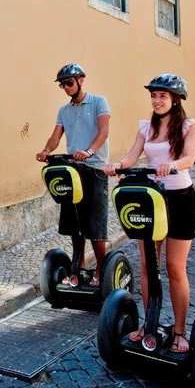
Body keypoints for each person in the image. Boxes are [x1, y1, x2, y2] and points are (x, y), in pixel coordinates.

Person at [103, 74, 195, 353]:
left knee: (174, 268)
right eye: (154, 96)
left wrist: (172, 165)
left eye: (163, 96)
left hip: (180, 200)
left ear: (175, 99)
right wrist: (118, 166)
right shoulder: (146, 127)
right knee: (147, 266)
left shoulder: (188, 126)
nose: (157, 101)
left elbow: (190, 158)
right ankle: (149, 324)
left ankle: (180, 332)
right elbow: (132, 155)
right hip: (153, 199)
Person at [36, 63, 111, 288]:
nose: (66, 88)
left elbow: (103, 132)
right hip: (73, 172)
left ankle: (101, 270)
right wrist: (46, 151)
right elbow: (56, 136)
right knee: (75, 225)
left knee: (95, 227)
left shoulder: (99, 102)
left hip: (95, 169)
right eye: (62, 85)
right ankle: (76, 270)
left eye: (69, 83)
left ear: (81, 80)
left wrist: (88, 151)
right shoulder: (64, 110)